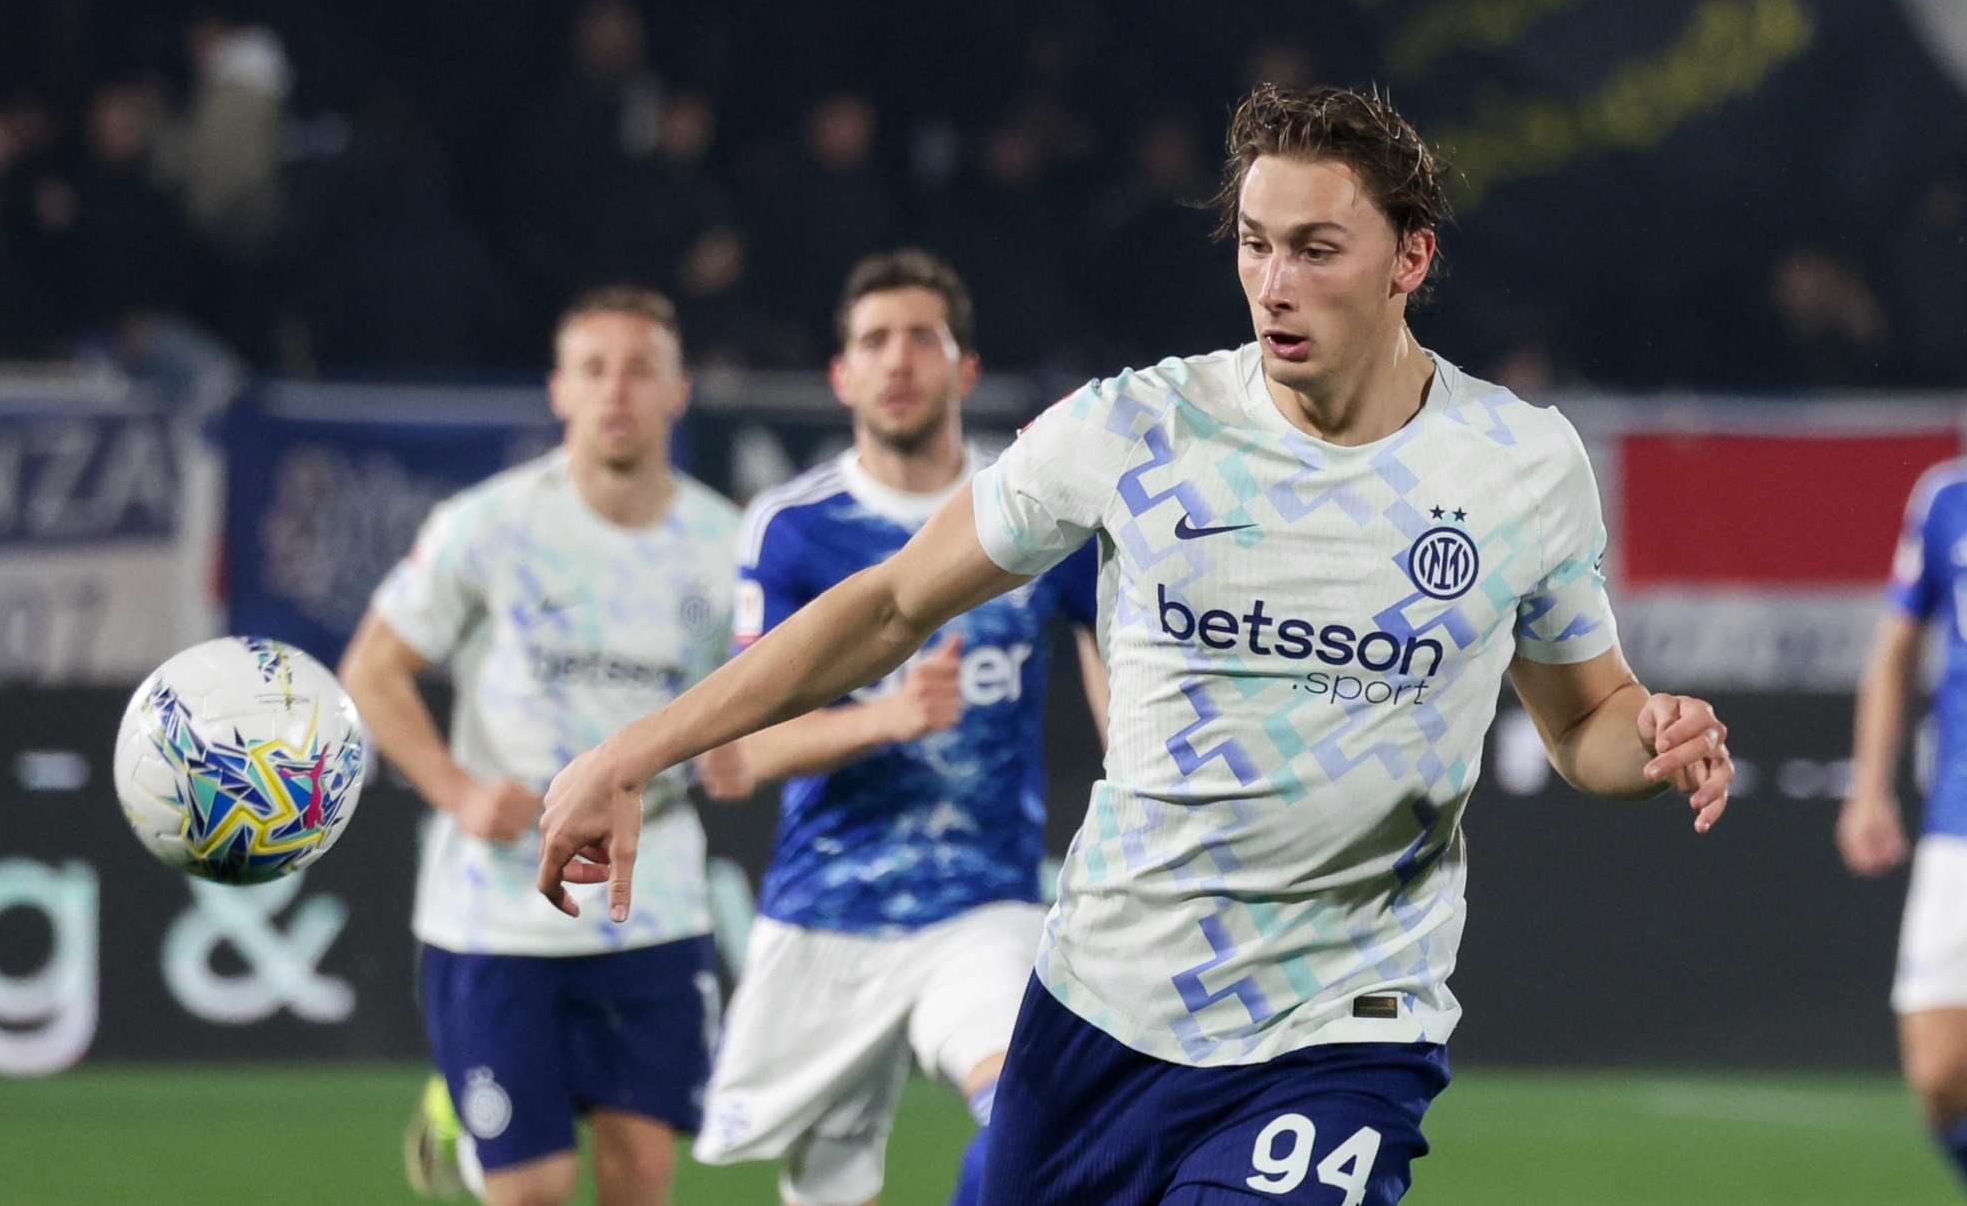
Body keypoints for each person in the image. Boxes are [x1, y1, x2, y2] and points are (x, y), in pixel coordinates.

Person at [534, 86, 1739, 1205]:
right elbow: (893, 604)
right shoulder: (1136, 431)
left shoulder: (1519, 468)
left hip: (1340, 1031)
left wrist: (1654, 735)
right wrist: (636, 751)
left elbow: (1586, 718)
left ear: (1408, 262)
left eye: (1317, 249)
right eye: (1256, 243)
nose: (1275, 282)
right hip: (1101, 1009)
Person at [689, 250, 1106, 1206]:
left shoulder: (1028, 509)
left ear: (963, 369)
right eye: (874, 340)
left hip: (982, 900)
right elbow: (742, 749)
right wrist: (888, 718)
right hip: (826, 909)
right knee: (825, 1188)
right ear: (842, 375)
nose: (899, 359)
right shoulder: (794, 528)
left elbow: (1113, 677)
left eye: (924, 337)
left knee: (1031, 1124)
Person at [338, 286, 744, 1206]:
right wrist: (456, 790)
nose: (617, 392)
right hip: (496, 898)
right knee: (535, 1193)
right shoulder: (488, 525)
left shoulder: (725, 544)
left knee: (638, 1180)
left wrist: (738, 746)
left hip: (654, 893)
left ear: (680, 390)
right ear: (559, 390)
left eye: (642, 369)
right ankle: (470, 1110)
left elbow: (763, 687)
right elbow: (371, 669)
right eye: (593, 369)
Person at [1839, 457, 1967, 1188]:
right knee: (1940, 1069)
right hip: (1958, 819)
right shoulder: (1946, 498)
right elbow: (1895, 648)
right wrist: (1868, 788)